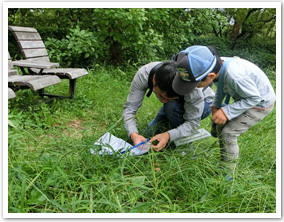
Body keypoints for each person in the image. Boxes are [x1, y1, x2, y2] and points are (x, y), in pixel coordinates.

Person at [172, 45, 276, 178]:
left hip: (260, 104)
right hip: (248, 98)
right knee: (221, 127)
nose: (194, 88)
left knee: (229, 133)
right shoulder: (217, 67)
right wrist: (216, 105)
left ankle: (227, 175)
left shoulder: (235, 75)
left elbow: (255, 98)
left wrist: (227, 111)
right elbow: (221, 86)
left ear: (210, 76)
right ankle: (224, 162)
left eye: (195, 84)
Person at [123, 60, 215, 151]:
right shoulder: (144, 74)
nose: (163, 101)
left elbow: (192, 123)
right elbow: (130, 108)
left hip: (205, 102)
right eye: (161, 96)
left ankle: (185, 146)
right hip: (177, 103)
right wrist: (133, 134)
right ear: (154, 79)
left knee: (172, 107)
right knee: (148, 136)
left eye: (170, 99)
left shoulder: (192, 90)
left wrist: (168, 135)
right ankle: (172, 126)